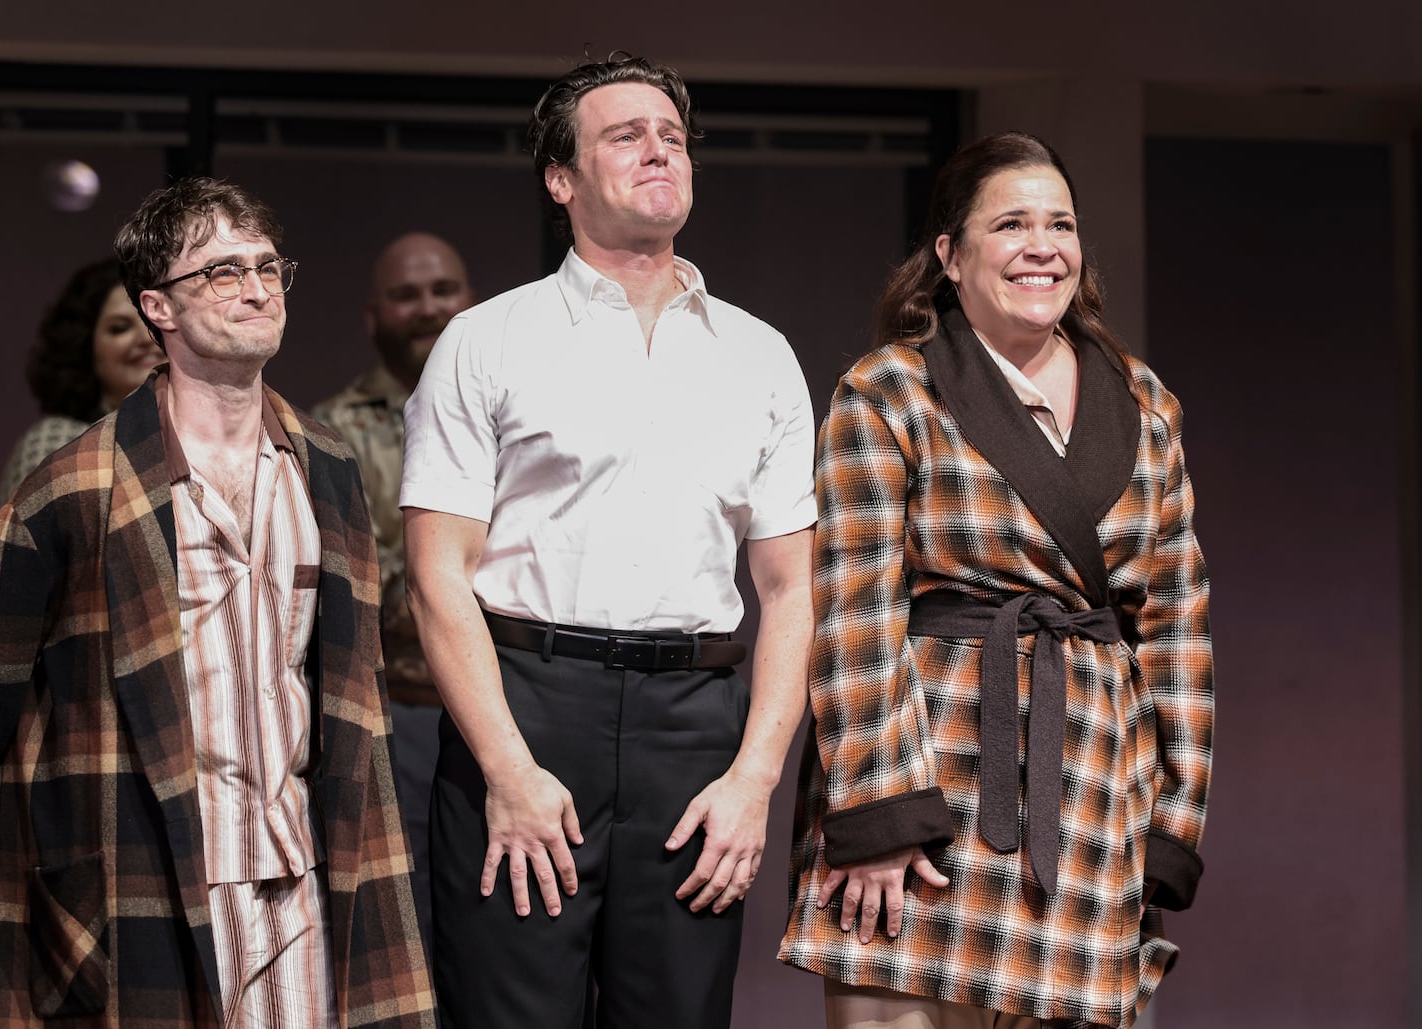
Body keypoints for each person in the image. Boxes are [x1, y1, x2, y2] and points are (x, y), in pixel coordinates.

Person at [0, 177, 434, 1029]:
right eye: (223, 272)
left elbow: (348, 679)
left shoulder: (327, 469)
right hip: (147, 871)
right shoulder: (76, 486)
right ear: (157, 307)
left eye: (269, 267)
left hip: (308, 867)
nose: (256, 288)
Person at [401, 54, 817, 1029]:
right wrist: (506, 769)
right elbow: (435, 576)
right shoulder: (486, 338)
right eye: (625, 134)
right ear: (562, 179)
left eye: (671, 136)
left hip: (694, 723)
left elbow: (792, 589)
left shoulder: (758, 355)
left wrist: (755, 781)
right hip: (528, 707)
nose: (658, 150)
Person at [779, 132, 1214, 1029]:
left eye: (1060, 223)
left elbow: (1175, 626)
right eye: (1011, 224)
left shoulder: (1143, 404)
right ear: (950, 254)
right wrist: (879, 813)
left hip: (1092, 792)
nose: (1042, 245)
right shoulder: (889, 391)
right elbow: (855, 611)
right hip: (930, 786)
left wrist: (1174, 817)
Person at [312, 231, 476, 954]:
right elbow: (353, 586)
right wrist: (463, 578)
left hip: (518, 705)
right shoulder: (334, 429)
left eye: (443, 291)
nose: (428, 308)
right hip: (398, 713)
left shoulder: (513, 412)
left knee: (508, 935)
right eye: (407, 295)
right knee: (400, 931)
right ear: (374, 314)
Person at [0, 257, 162, 502]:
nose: (145, 339)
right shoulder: (57, 445)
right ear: (84, 346)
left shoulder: (206, 438)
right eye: (120, 328)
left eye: (153, 321)